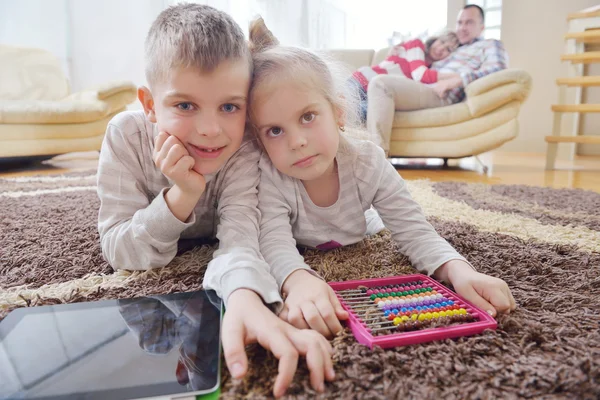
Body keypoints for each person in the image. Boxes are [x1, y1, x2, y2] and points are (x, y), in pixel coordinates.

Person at [96, 4, 333, 397]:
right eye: (185, 105)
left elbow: (242, 234)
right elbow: (118, 250)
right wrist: (181, 196)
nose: (210, 131)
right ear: (151, 105)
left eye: (229, 107)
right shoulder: (126, 137)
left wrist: (242, 295)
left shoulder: (242, 147)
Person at [247, 17, 516, 340]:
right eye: (275, 130)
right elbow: (273, 242)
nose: (296, 141)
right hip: (306, 245)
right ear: (260, 140)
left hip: (362, 227)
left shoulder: (369, 162)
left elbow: (415, 230)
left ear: (338, 112)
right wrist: (299, 280)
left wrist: (460, 271)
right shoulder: (271, 175)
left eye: (308, 117)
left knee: (383, 224)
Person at [367, 4, 509, 155]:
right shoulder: (454, 46)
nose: (462, 27)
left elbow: (498, 69)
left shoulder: (490, 44)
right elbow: (420, 64)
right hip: (423, 86)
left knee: (381, 84)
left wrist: (456, 80)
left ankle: (377, 160)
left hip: (441, 93)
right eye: (460, 22)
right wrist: (397, 52)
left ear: (481, 27)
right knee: (375, 88)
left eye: (469, 22)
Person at [350, 31, 459, 122]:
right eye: (442, 42)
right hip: (362, 81)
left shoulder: (432, 71)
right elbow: (420, 75)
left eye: (448, 49)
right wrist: (456, 77)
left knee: (361, 115)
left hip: (378, 95)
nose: (441, 48)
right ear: (435, 39)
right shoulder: (416, 44)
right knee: (342, 110)